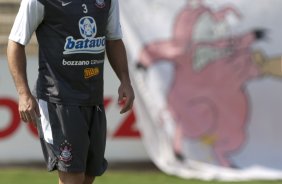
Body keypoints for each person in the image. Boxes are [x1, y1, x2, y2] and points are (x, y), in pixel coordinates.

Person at [7, 0, 134, 183]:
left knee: (87, 178)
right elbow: (16, 42)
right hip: (58, 99)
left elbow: (113, 39)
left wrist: (125, 80)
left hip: (94, 99)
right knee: (72, 178)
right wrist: (23, 93)